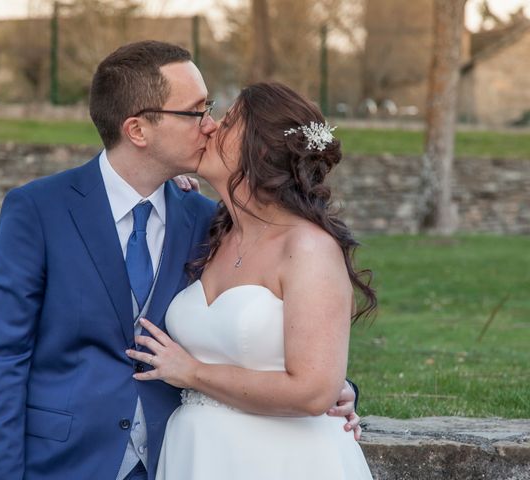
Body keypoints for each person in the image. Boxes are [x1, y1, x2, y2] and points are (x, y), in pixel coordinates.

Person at [0, 41, 360, 480]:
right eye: (196, 112)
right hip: (67, 462)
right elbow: (0, 358)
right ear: (137, 130)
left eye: (211, 109)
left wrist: (335, 390)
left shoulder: (206, 221)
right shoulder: (39, 210)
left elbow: (290, 336)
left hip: (174, 460)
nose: (210, 125)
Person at [127, 82, 376, 479]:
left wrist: (191, 374)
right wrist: (162, 182)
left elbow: (313, 391)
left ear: (257, 149)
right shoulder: (212, 231)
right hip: (197, 455)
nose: (208, 127)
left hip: (281, 461)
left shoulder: (307, 247)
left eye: (226, 123)